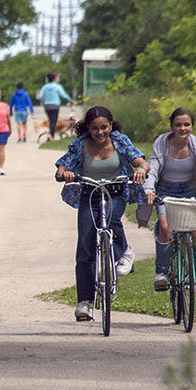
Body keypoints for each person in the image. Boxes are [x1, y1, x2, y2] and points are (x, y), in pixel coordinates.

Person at [55, 106, 148, 321]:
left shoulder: (120, 141)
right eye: (95, 128)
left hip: (115, 193)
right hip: (90, 194)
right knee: (86, 246)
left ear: (111, 125)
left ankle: (124, 251)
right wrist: (65, 173)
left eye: (104, 127)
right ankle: (84, 302)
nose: (100, 132)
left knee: (112, 218)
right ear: (88, 128)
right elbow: (62, 165)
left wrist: (141, 169)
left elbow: (139, 159)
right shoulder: (81, 144)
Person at [143, 107, 196, 295]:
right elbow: (153, 167)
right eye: (178, 125)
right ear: (172, 126)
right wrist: (149, 189)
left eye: (186, 124)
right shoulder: (162, 143)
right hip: (166, 190)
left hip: (190, 192)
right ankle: (161, 273)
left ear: (192, 126)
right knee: (165, 228)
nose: (182, 128)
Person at [36, 72, 71, 141]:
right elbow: (63, 95)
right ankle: (51, 135)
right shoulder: (57, 86)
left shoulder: (44, 87)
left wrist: (43, 102)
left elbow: (40, 97)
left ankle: (50, 134)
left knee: (51, 120)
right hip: (55, 105)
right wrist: (70, 100)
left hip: (47, 106)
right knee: (53, 121)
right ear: (54, 79)